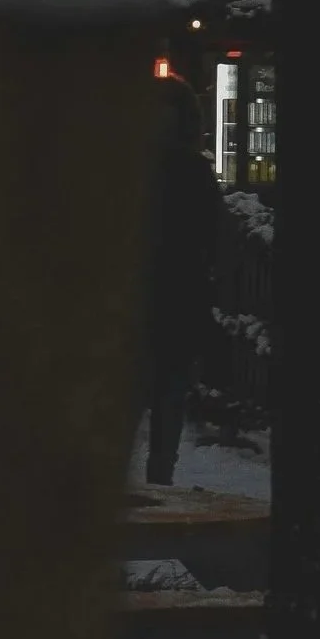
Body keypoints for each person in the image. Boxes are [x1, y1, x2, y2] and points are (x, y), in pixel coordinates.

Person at [142, 70, 221, 484]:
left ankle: (153, 482)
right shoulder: (192, 170)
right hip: (171, 296)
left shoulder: (134, 169)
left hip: (155, 296)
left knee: (158, 396)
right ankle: (159, 480)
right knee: (164, 398)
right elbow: (213, 235)